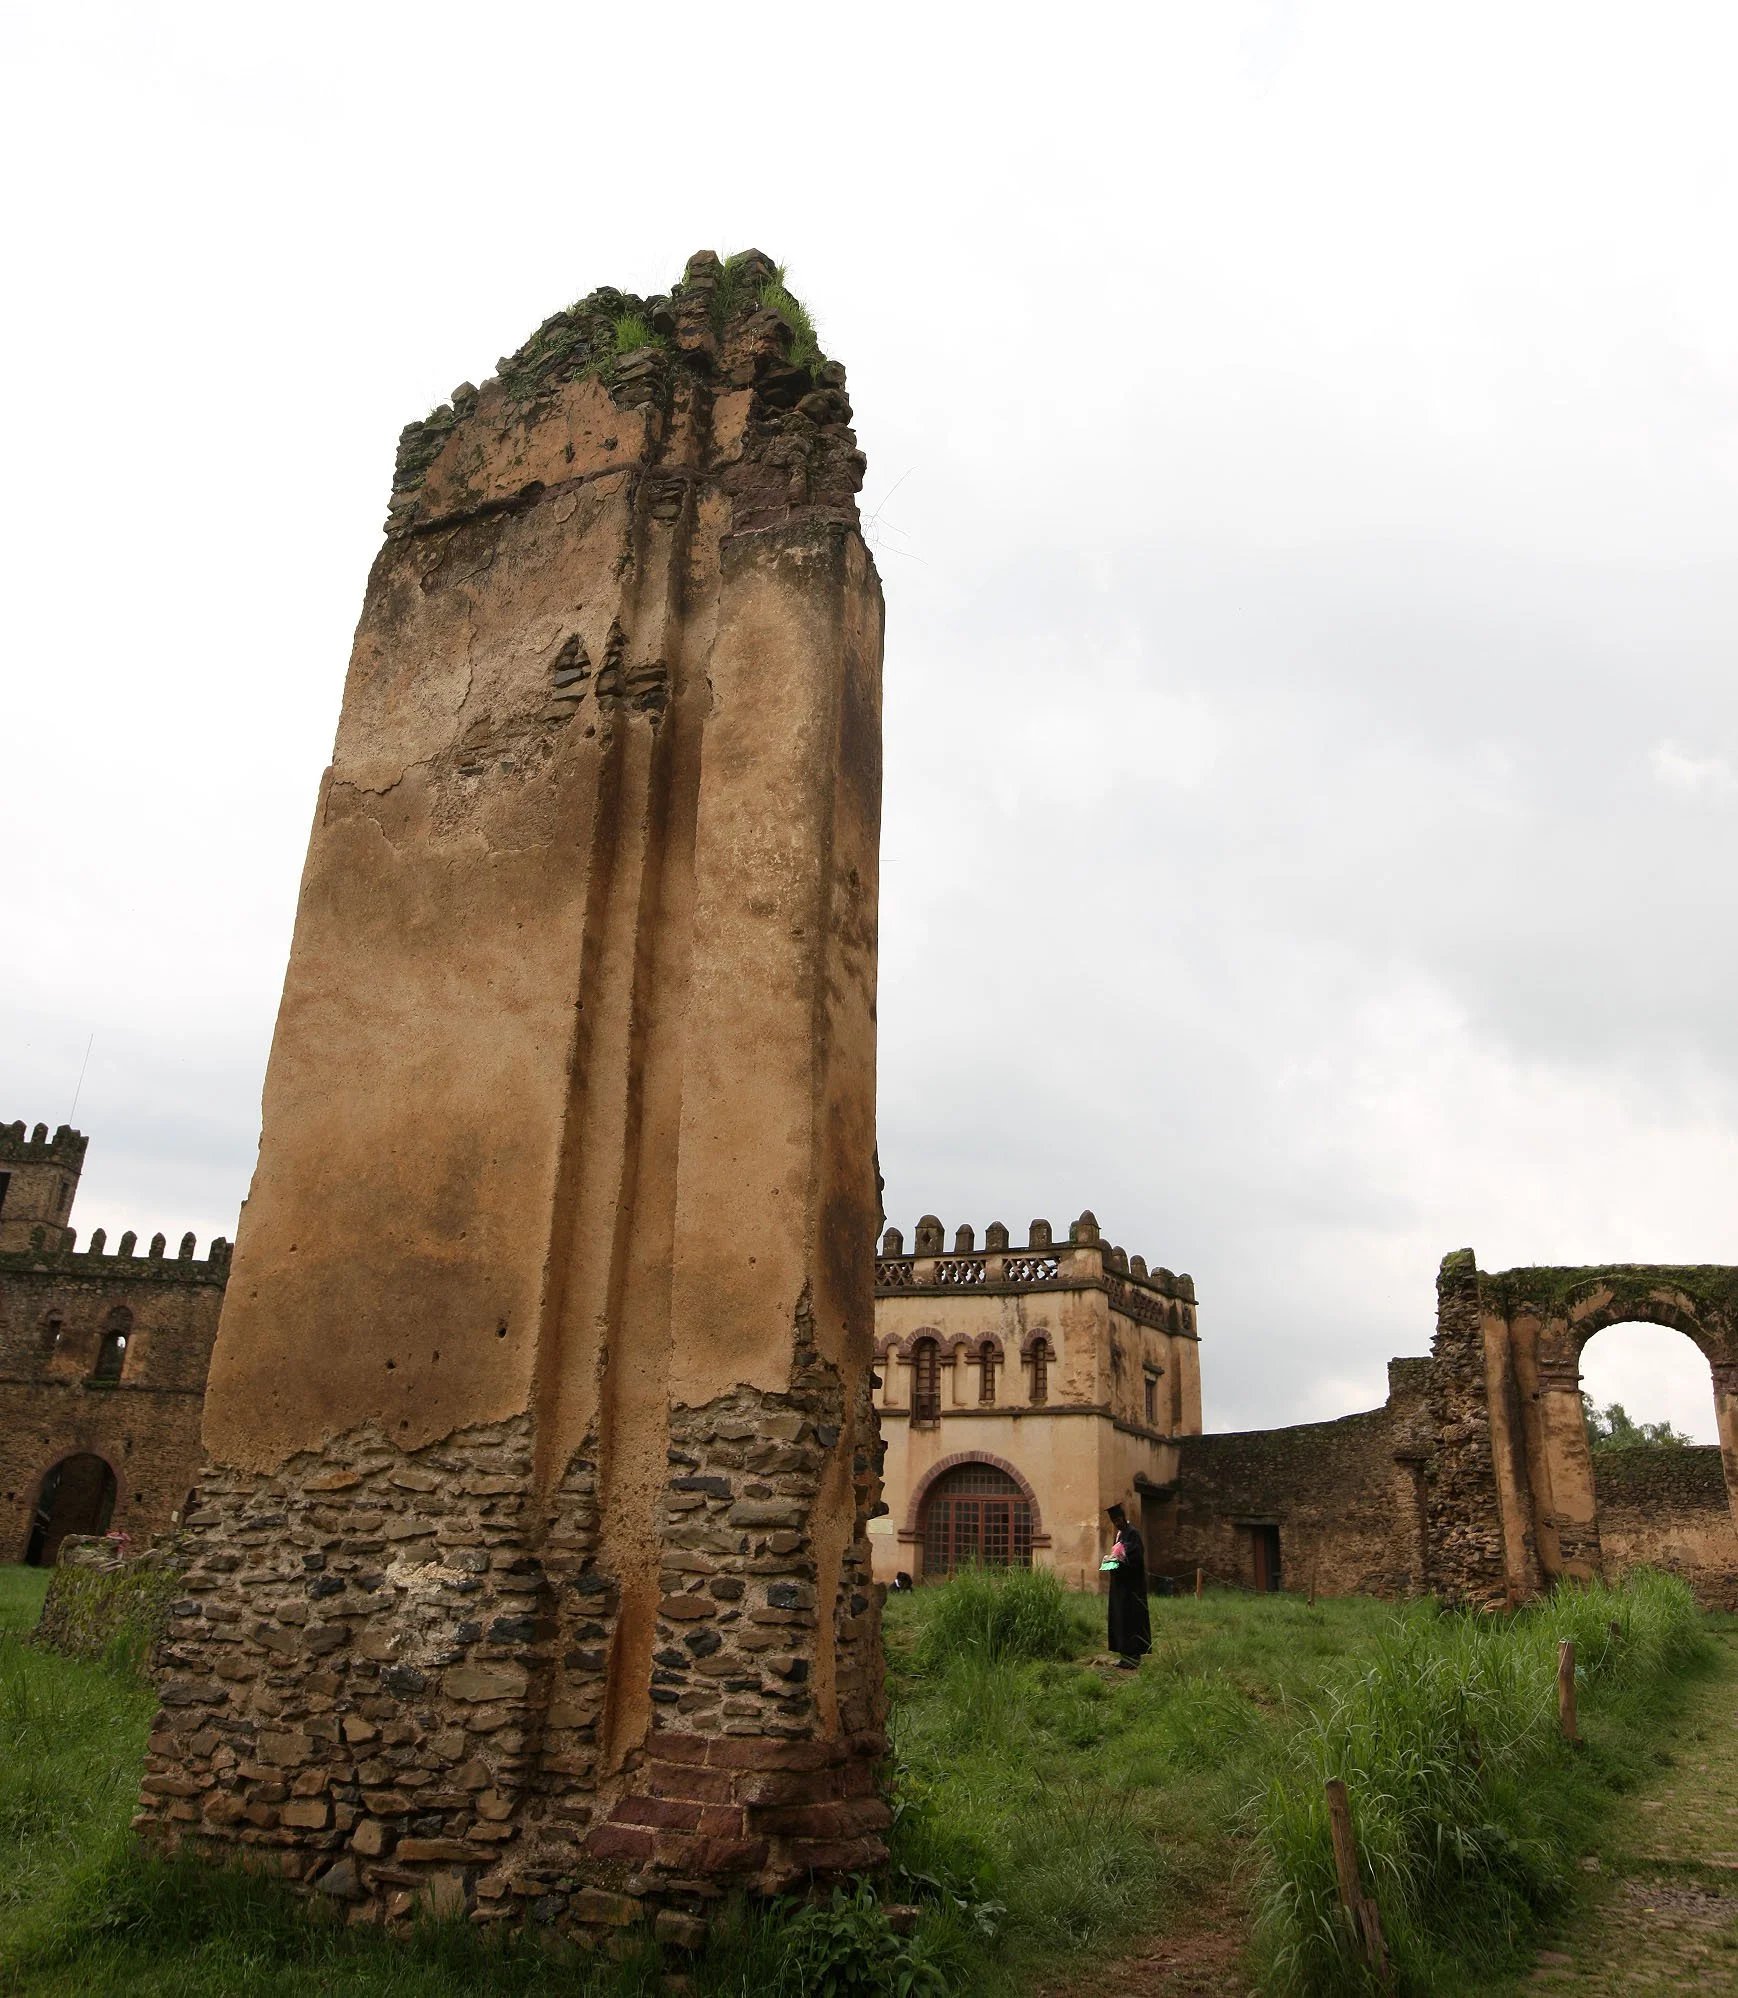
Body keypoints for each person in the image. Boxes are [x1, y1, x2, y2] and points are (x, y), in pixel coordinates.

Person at [1104, 1503, 1152, 1666]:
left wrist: (1119, 1559)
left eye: (1118, 1519)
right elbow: (1117, 1556)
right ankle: (1125, 1656)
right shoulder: (1120, 1534)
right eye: (1114, 1521)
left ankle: (1133, 1657)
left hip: (1132, 1587)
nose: (1117, 1523)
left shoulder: (1133, 1534)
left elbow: (1135, 1558)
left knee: (1131, 1620)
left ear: (1124, 1517)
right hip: (1120, 1587)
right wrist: (1110, 1561)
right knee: (1120, 1619)